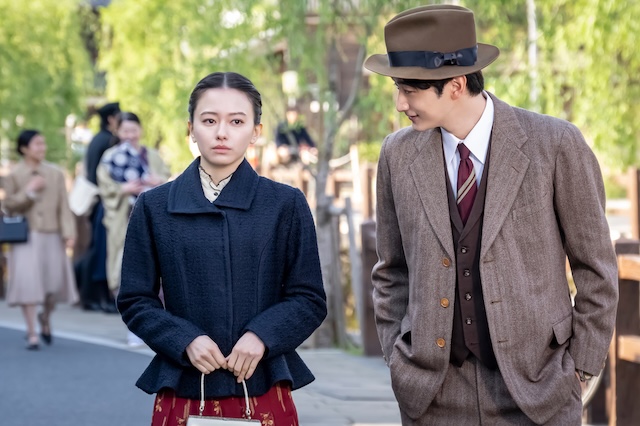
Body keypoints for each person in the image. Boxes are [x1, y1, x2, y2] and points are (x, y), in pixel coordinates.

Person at [365, 5, 619, 425]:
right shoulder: (396, 154)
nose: (400, 104)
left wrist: (581, 366)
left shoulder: (555, 144)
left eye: (410, 90)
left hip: (540, 389)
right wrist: (399, 359)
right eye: (398, 88)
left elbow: (596, 267)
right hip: (431, 396)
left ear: (455, 85)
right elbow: (391, 270)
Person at [117, 72, 327, 425]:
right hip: (184, 385)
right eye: (209, 120)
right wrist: (184, 339)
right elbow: (135, 299)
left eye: (237, 121)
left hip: (261, 384)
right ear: (191, 128)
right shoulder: (154, 206)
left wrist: (262, 336)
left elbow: (309, 298)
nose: (222, 133)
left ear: (256, 131)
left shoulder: (285, 204)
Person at [96, 111, 169, 346]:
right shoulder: (110, 157)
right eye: (125, 130)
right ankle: (133, 326)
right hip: (123, 219)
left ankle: (155, 325)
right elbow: (105, 188)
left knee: (157, 270)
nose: (129, 135)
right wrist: (123, 189)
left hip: (150, 220)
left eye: (133, 130)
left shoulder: (152, 155)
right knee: (123, 269)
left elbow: (166, 179)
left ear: (140, 130)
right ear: (117, 132)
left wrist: (157, 182)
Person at [3, 130, 77, 350]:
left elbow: (64, 205)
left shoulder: (55, 173)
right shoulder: (14, 175)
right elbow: (8, 206)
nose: (42, 147)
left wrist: (69, 232)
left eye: (43, 143)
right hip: (25, 236)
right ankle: (32, 333)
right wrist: (29, 192)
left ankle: (45, 317)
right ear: (24, 148)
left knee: (52, 285)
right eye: (37, 144)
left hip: (52, 234)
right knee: (28, 285)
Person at [76, 101, 120, 313]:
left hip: (96, 200)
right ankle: (100, 297)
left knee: (95, 249)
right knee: (102, 250)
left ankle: (89, 296)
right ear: (111, 119)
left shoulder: (97, 139)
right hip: (105, 201)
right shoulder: (109, 141)